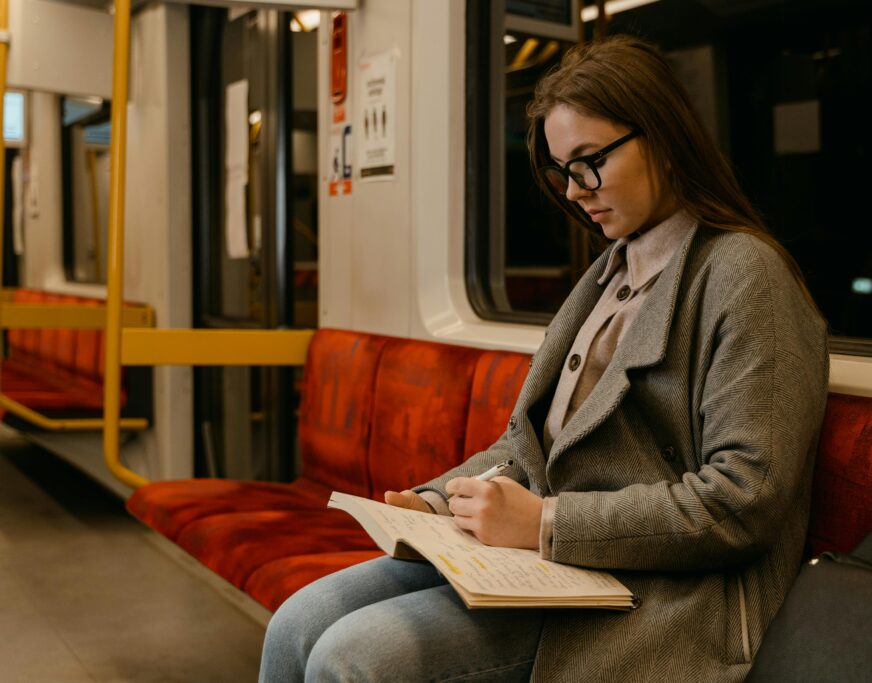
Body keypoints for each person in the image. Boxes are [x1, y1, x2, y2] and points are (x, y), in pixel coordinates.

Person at [260, 35, 829, 683]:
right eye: (563, 171)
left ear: (664, 137)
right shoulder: (609, 273)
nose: (575, 191)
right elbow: (524, 447)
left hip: (664, 594)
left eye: (590, 162)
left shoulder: (743, 274)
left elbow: (741, 501)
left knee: (352, 656)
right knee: (299, 621)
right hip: (553, 568)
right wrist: (438, 502)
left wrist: (546, 521)